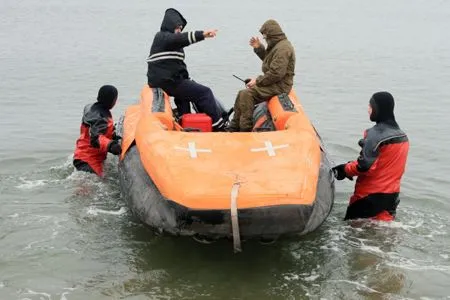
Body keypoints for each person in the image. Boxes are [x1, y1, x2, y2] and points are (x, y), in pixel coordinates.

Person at [332, 92, 409, 221]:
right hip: (391, 198)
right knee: (384, 233)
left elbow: (364, 167)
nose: (368, 109)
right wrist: (353, 165)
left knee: (353, 234)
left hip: (367, 198)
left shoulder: (375, 134)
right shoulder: (402, 137)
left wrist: (344, 169)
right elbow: (382, 165)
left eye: (371, 106)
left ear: (378, 109)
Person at [146, 8, 226, 131]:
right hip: (167, 81)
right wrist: (203, 34)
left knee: (184, 94)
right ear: (170, 25)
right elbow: (180, 39)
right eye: (178, 27)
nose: (179, 30)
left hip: (168, 80)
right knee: (205, 93)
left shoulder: (171, 44)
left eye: (181, 28)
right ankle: (218, 126)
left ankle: (186, 124)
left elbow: (178, 66)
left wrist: (188, 79)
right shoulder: (163, 37)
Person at [227, 19, 295, 132]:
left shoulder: (283, 49)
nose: (264, 38)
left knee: (247, 94)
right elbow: (270, 63)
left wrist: (257, 81)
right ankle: (233, 127)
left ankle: (245, 130)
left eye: (265, 36)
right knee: (241, 94)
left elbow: (276, 73)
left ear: (271, 34)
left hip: (280, 85)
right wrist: (259, 48)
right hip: (274, 83)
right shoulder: (278, 45)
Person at [73, 85, 122, 177]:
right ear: (112, 100)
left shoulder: (91, 108)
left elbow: (96, 130)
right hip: (89, 160)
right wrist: (111, 145)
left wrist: (113, 136)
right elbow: (96, 138)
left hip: (81, 155)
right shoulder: (101, 118)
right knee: (91, 188)